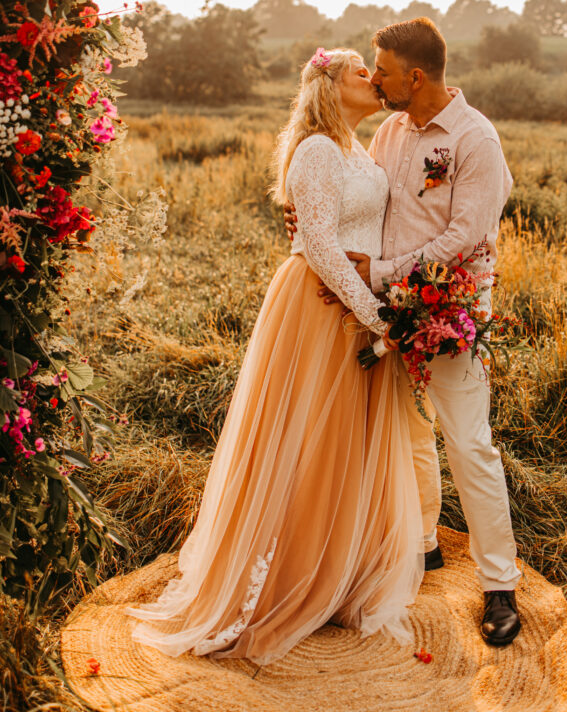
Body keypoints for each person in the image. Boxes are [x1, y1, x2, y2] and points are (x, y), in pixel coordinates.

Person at [125, 48, 423, 665]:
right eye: (360, 71)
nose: (372, 78)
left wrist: (383, 303)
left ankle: (337, 569)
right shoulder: (315, 149)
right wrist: (377, 317)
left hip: (358, 305)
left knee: (344, 443)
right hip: (319, 306)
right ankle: (284, 574)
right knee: (305, 438)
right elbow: (318, 243)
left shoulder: (361, 148)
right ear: (330, 86)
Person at [285, 18, 522, 646]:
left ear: (414, 77)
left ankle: (500, 583)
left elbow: (465, 236)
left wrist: (382, 274)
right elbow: (351, 196)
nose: (375, 80)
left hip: (452, 308)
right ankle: (421, 542)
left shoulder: (475, 139)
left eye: (383, 71)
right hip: (386, 311)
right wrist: (305, 218)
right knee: (407, 431)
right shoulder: (389, 131)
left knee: (468, 443)